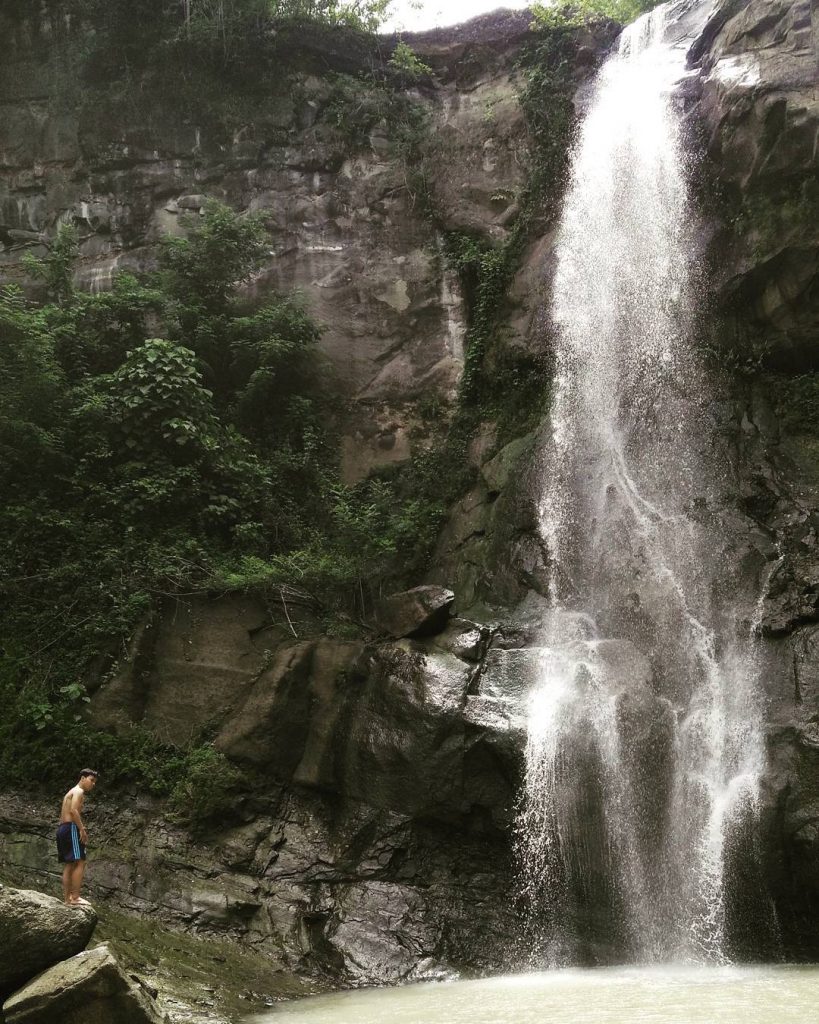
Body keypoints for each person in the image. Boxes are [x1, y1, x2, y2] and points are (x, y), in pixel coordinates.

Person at [56, 769, 99, 906]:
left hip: (62, 828)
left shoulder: (70, 791)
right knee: (80, 861)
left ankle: (67, 900)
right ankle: (75, 897)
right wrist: (82, 829)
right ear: (82, 778)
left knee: (70, 863)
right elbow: (73, 810)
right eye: (91, 780)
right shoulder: (78, 791)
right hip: (71, 828)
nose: (93, 784)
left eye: (94, 782)